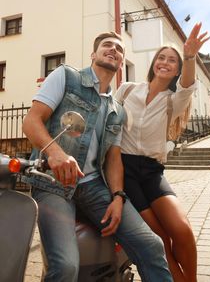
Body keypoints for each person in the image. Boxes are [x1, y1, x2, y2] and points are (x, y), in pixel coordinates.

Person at [22, 31, 173, 282]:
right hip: (52, 182)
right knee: (66, 266)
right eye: (107, 45)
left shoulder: (117, 110)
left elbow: (113, 159)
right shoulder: (66, 77)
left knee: (153, 246)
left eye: (119, 48)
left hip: (93, 186)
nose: (113, 49)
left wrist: (117, 196)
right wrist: (56, 153)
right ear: (94, 54)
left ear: (122, 62)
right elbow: (31, 120)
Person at [115, 22, 210, 282]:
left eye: (172, 60)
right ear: (154, 63)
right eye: (161, 57)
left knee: (182, 230)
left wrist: (189, 56)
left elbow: (188, 87)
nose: (165, 62)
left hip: (153, 171)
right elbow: (109, 119)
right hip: (126, 170)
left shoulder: (173, 100)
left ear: (178, 70)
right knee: (161, 239)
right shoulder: (128, 89)